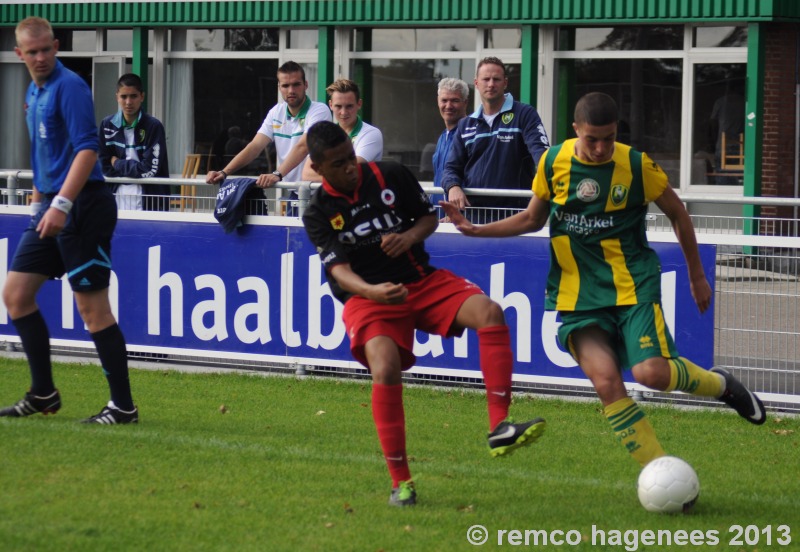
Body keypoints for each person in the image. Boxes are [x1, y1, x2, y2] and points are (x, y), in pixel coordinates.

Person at [441, 92, 765, 469]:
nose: (600, 148)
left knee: (652, 374)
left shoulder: (635, 165)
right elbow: (532, 219)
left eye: (609, 138)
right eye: (592, 139)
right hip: (577, 294)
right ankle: (659, 472)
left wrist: (696, 275)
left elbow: (679, 215)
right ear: (576, 129)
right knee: (608, 383)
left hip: (632, 285)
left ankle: (721, 385)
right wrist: (476, 230)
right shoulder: (553, 161)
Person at [301, 121, 546, 507]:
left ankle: (500, 426)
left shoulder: (390, 174)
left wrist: (409, 237)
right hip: (369, 299)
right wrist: (372, 290)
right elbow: (338, 271)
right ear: (317, 166)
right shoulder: (318, 212)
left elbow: (427, 218)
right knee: (384, 368)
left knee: (490, 312)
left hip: (421, 281)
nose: (351, 167)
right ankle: (402, 483)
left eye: (351, 156)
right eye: (339, 163)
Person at [0, 17, 137, 424]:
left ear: (56, 46)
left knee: (92, 310)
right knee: (16, 295)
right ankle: (43, 392)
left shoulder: (70, 87)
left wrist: (60, 203)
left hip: (83, 207)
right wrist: (39, 203)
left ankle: (123, 407)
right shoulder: (33, 91)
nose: (41, 57)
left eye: (47, 49)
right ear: (19, 53)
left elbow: (87, 150)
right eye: (33, 51)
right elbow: (45, 153)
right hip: (52, 207)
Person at [441, 57, 550, 221]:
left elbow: (542, 156)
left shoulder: (524, 114)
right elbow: (451, 168)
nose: (491, 84)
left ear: (505, 83)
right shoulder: (465, 124)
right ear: (476, 83)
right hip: (474, 217)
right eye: (486, 79)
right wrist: (453, 187)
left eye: (496, 79)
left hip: (515, 216)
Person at [205, 61, 331, 195]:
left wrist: (277, 174)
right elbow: (255, 146)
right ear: (279, 87)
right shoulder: (276, 112)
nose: (291, 90)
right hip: (295, 192)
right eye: (285, 85)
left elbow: (303, 146)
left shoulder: (319, 110)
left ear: (305, 85)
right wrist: (224, 172)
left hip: (320, 192)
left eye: (296, 84)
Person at [98, 73, 171, 211]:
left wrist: (117, 163)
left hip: (149, 198)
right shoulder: (106, 125)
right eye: (123, 96)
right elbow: (103, 166)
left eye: (133, 96)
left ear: (142, 96)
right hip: (113, 196)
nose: (128, 102)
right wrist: (133, 169)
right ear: (117, 97)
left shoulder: (154, 126)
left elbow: (149, 169)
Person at [300, 78, 383, 181]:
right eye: (338, 106)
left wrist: (324, 174)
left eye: (349, 106)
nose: (343, 112)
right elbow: (307, 174)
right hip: (331, 197)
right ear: (330, 105)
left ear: (359, 104)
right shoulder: (325, 134)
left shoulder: (371, 133)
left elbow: (350, 170)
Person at [430, 77, 469, 206]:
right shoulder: (442, 137)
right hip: (440, 216)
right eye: (444, 100)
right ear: (437, 101)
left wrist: (459, 212)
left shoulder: (472, 135)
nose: (448, 106)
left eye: (455, 101)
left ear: (465, 103)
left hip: (462, 218)